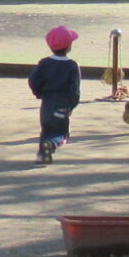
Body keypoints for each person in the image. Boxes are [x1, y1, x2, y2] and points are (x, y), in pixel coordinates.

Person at [29, 26, 82, 164]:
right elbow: (74, 89)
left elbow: (33, 81)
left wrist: (39, 93)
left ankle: (42, 155)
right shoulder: (72, 66)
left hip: (47, 104)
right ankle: (51, 145)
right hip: (62, 105)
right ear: (69, 46)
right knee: (61, 133)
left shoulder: (44, 63)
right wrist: (72, 105)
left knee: (46, 129)